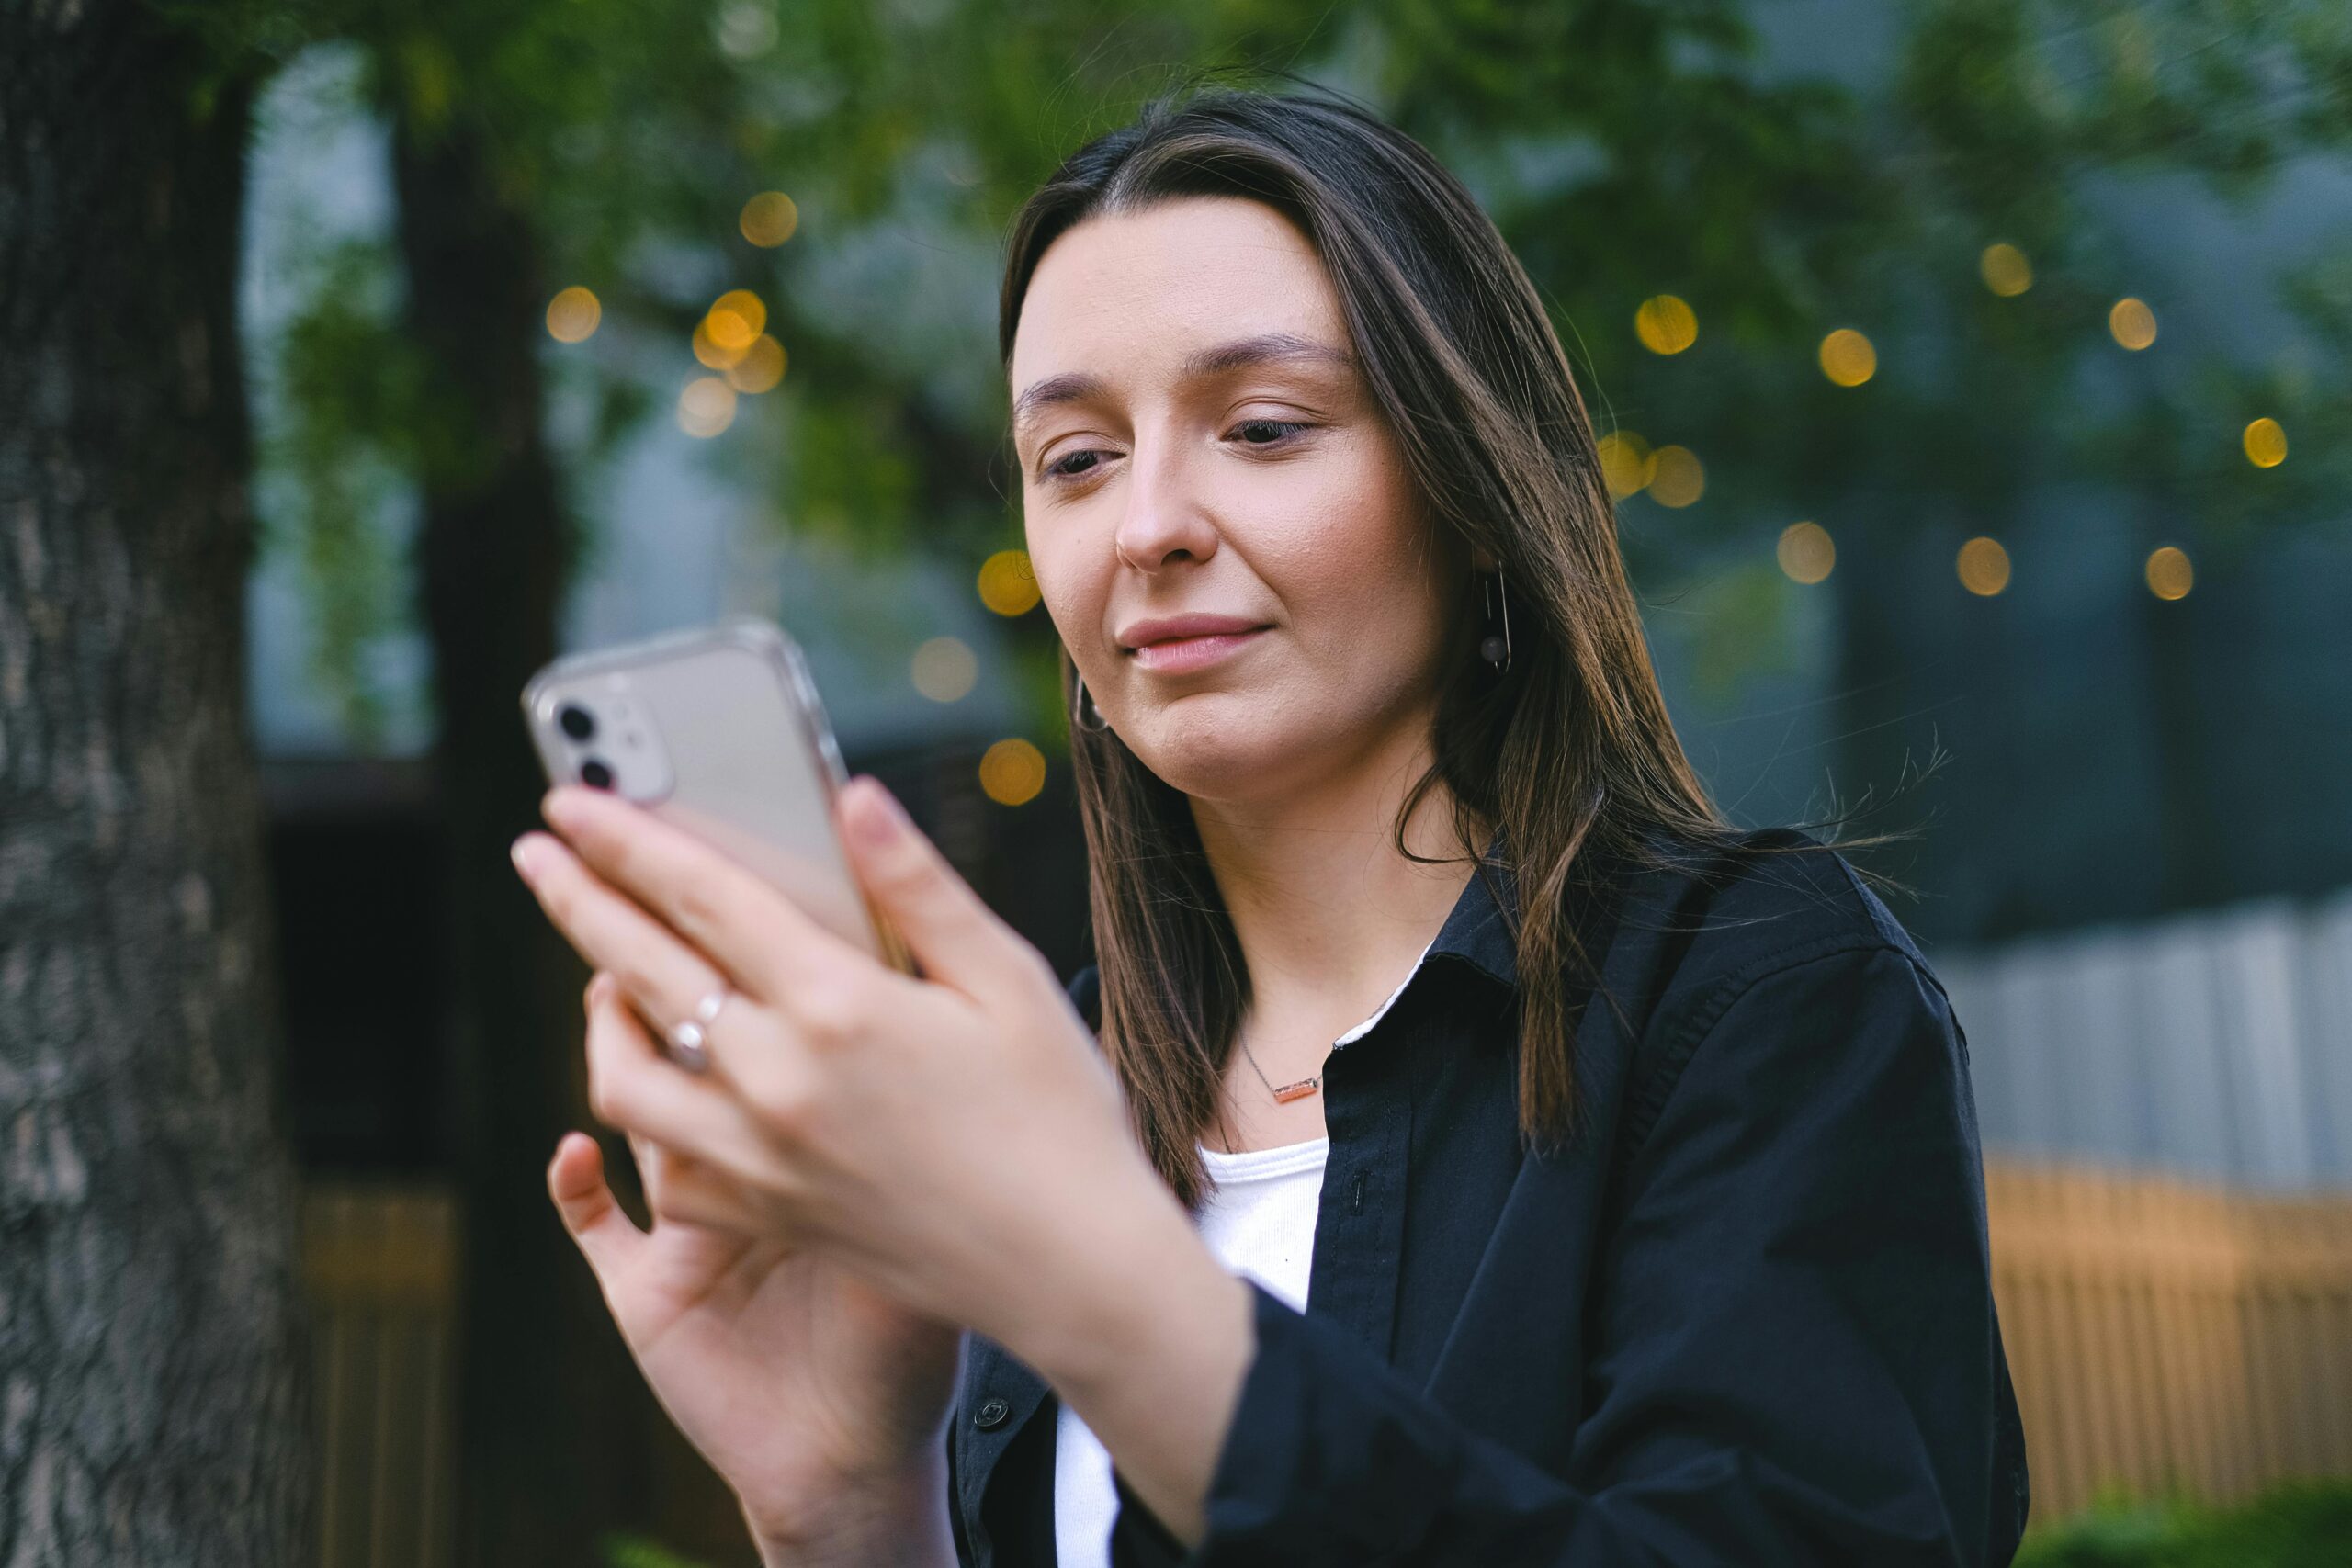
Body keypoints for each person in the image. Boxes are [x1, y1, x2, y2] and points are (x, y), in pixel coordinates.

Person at [508, 83, 2030, 1567]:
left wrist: (1113, 1299)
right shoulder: (1063, 1094)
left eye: (1264, 425)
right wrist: (845, 1507)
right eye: (1077, 461)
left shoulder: (1759, 997)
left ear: (1477, 487)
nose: (1148, 525)